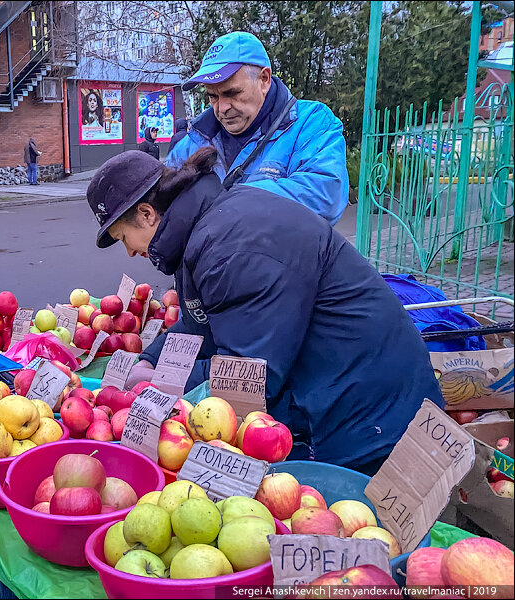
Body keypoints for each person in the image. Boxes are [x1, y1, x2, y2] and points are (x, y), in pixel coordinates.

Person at [86, 148, 443, 474]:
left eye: (122, 238)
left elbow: (251, 374)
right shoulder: (203, 229)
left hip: (369, 417)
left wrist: (158, 384)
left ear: (147, 214)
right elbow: (199, 323)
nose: (130, 252)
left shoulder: (231, 246)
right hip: (342, 394)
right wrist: (149, 360)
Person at [168, 32, 348, 224]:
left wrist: (226, 205)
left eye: (232, 93)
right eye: (213, 96)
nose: (222, 107)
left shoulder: (312, 122)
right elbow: (163, 198)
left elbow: (325, 195)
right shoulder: (195, 139)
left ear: (264, 79)